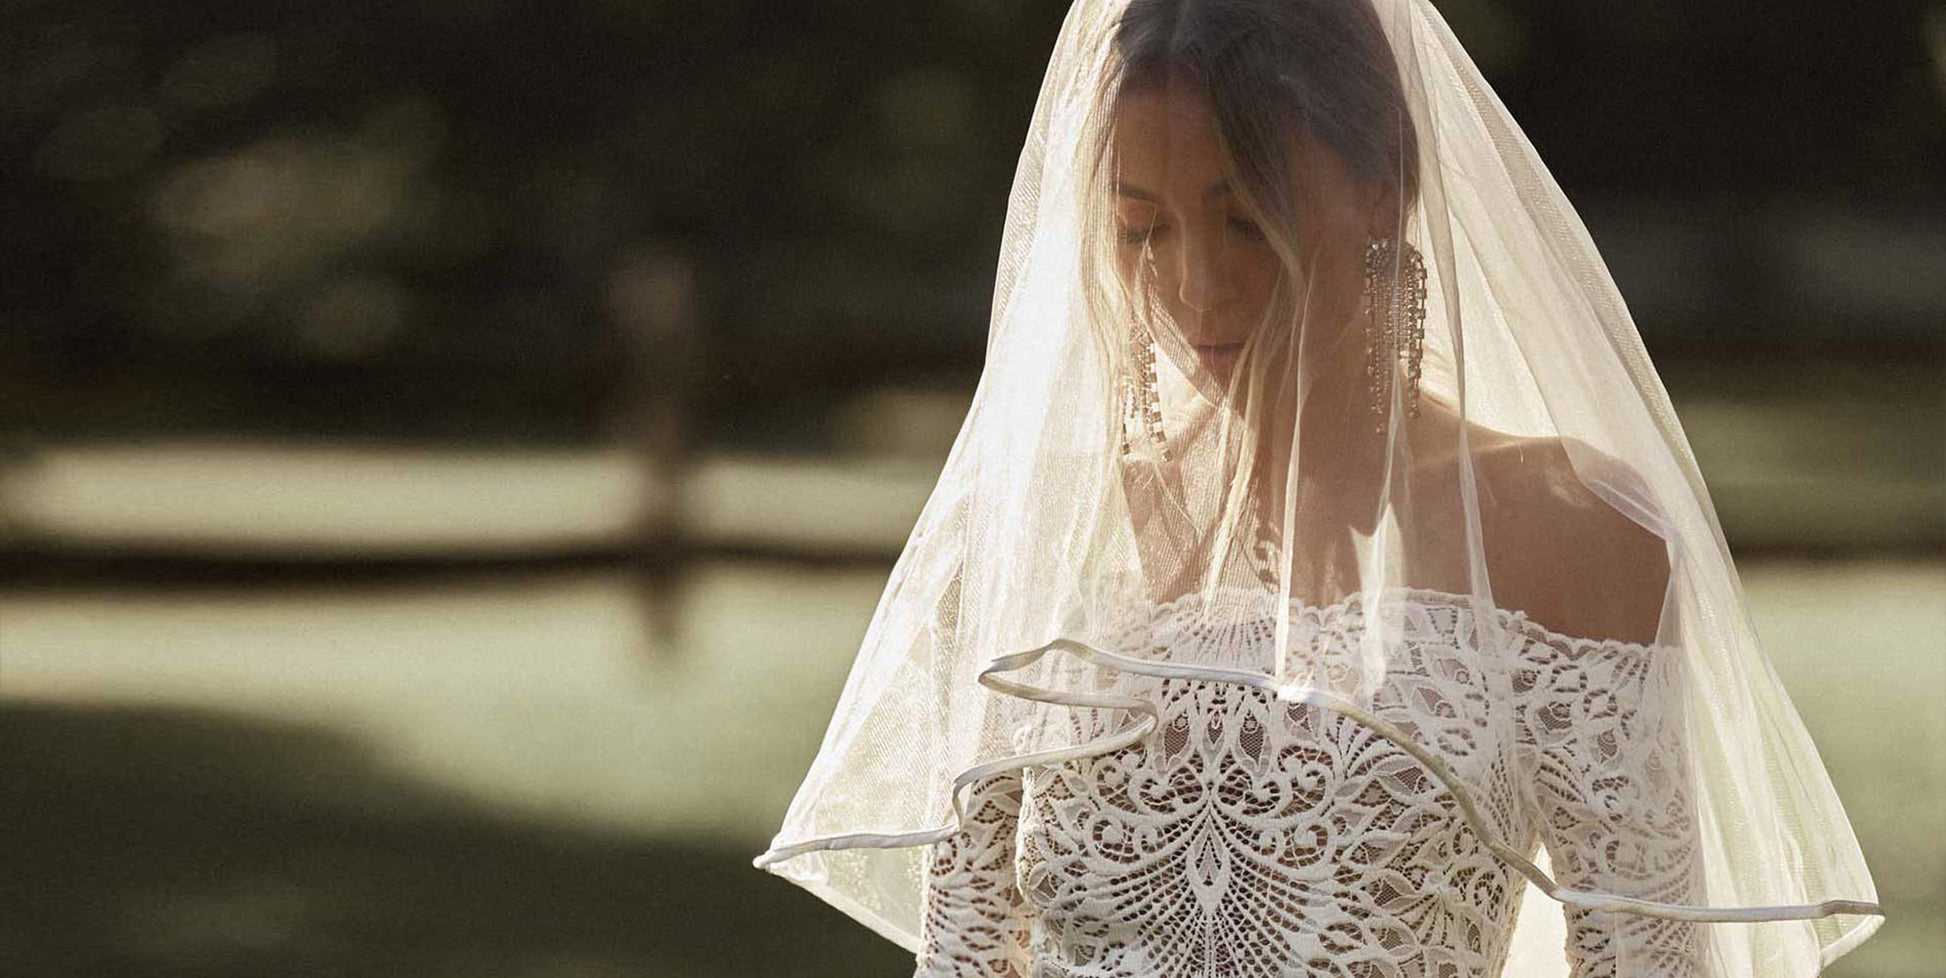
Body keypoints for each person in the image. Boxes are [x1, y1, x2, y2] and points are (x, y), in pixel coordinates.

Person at [753, 1, 1885, 975]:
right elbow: (963, 955)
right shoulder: (1047, 535)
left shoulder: (1570, 532)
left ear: (1385, 188)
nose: (1196, 282)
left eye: (1247, 220)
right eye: (1142, 230)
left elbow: (1645, 960)